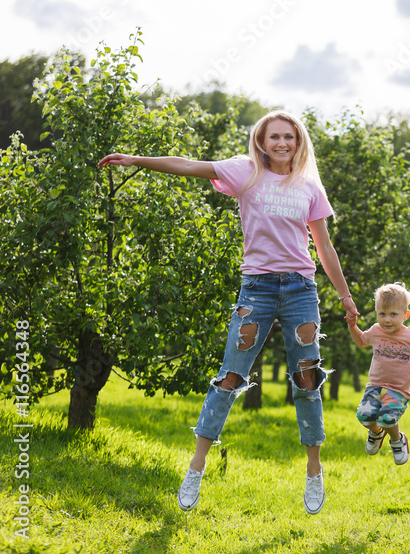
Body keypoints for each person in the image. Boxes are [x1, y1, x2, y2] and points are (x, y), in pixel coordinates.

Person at [99, 110, 359, 515]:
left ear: (298, 141)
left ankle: (313, 470)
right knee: (230, 376)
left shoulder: (310, 185)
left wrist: (344, 296)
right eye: (274, 137)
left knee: (307, 377)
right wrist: (136, 160)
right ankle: (196, 467)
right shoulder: (245, 172)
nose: (282, 144)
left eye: (288, 137)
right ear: (261, 141)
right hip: (256, 288)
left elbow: (324, 247)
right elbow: (188, 166)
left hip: (300, 290)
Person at [347, 282, 410, 465]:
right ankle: (376, 433)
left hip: (398, 390)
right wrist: (353, 326)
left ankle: (397, 439)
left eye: (393, 314)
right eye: (382, 314)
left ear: (405, 314)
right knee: (364, 416)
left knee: (386, 418)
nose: (387, 320)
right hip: (375, 386)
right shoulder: (376, 330)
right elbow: (361, 341)